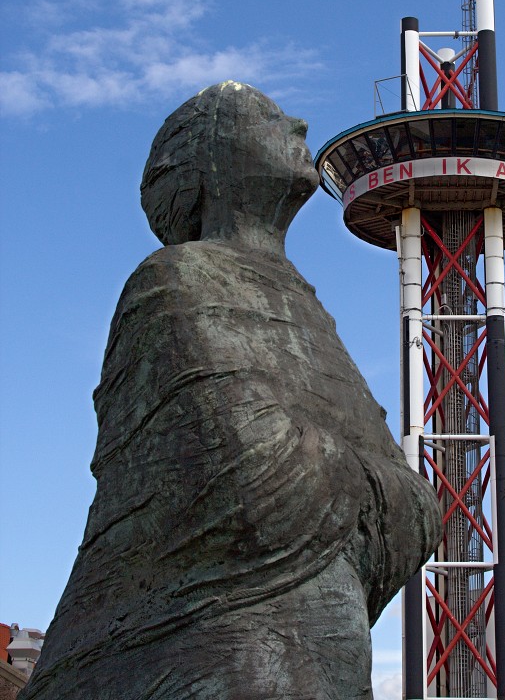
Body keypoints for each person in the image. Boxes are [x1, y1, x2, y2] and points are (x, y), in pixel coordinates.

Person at [22, 82, 440, 700]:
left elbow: (417, 518)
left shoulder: (306, 306)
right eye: (266, 117)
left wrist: (360, 491)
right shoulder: (173, 281)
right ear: (208, 163)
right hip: (216, 655)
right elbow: (258, 481)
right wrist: (373, 493)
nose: (297, 121)